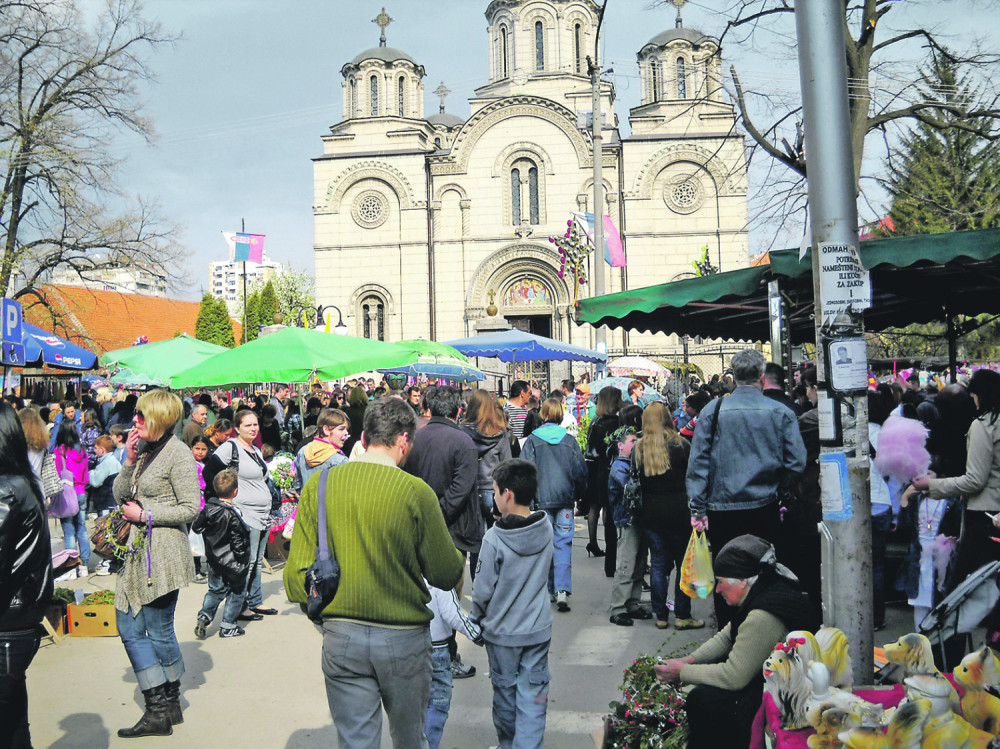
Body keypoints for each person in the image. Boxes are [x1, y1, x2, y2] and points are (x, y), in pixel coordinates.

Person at [284, 397, 464, 749]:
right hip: (404, 637)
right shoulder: (416, 492)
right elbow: (446, 573)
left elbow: (295, 581)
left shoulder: (319, 486)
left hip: (341, 636)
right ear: (404, 440)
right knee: (410, 739)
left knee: (356, 742)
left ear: (364, 438)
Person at [653, 534, 813, 749]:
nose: (718, 590)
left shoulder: (762, 617)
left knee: (704, 700)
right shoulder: (762, 589)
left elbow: (734, 676)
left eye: (720, 582)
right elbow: (727, 636)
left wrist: (682, 673)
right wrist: (689, 660)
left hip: (788, 698)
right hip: (778, 682)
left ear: (743, 580)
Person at [687, 348, 806, 626]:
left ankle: (729, 631)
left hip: (721, 508)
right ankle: (762, 628)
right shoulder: (780, 412)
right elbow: (796, 462)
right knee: (763, 569)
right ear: (762, 376)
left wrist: (698, 508)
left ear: (734, 376)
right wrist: (780, 487)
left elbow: (698, 464)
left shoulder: (713, 411)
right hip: (764, 505)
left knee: (726, 570)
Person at [112, 389, 201, 737]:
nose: (134, 421)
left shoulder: (178, 454)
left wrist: (146, 515)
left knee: (157, 629)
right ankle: (167, 705)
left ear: (161, 419)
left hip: (162, 556)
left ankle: (161, 708)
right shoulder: (145, 450)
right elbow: (120, 495)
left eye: (141, 415)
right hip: (137, 553)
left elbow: (191, 507)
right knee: (131, 626)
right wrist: (129, 460)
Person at [471, 459, 553, 749]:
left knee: (505, 697)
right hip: (537, 629)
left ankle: (509, 744)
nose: (493, 497)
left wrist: (476, 620)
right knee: (534, 695)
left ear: (506, 494)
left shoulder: (494, 539)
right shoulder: (546, 527)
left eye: (494, 491)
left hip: (503, 633)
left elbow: (482, 591)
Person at [914, 368, 1000, 585]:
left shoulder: (983, 426)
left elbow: (975, 480)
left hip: (984, 516)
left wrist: (932, 485)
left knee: (964, 586)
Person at [0, 401, 53, 749]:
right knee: (13, 722)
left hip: (9, 621)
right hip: (19, 618)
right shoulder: (20, 482)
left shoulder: (7, 489)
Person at [201, 409, 277, 623]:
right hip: (245, 514)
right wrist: (225, 500)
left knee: (257, 562)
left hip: (262, 514)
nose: (253, 428)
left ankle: (255, 601)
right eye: (248, 425)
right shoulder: (230, 447)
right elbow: (209, 472)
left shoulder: (256, 450)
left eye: (255, 424)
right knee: (248, 562)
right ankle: (241, 607)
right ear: (237, 428)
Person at [633, 402, 702, 631]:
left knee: (658, 565)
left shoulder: (640, 448)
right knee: (683, 564)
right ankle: (682, 615)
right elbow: (692, 477)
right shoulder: (681, 445)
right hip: (679, 511)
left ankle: (661, 615)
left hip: (651, 513)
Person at [521, 398, 587, 613]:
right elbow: (580, 471)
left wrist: (527, 501)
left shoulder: (533, 440)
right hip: (565, 499)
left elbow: (524, 471)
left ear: (543, 414)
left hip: (541, 500)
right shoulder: (569, 441)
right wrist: (579, 495)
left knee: (545, 544)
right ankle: (562, 590)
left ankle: (549, 589)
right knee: (563, 544)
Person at [424, 580, 483, 749]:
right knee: (437, 703)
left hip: (407, 648)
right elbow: (453, 615)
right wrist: (476, 634)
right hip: (437, 650)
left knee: (412, 705)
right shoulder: (439, 579)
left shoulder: (402, 572)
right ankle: (428, 745)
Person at [193, 468, 251, 640]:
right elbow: (238, 541)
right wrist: (243, 558)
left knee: (215, 590)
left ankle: (204, 616)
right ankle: (228, 626)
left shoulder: (208, 509)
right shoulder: (233, 514)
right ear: (235, 491)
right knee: (237, 592)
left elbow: (196, 527)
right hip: (232, 561)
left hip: (213, 559)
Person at [607, 426, 653, 626]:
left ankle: (633, 603)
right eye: (632, 441)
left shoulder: (635, 464)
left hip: (639, 519)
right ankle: (618, 607)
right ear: (620, 445)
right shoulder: (619, 467)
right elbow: (630, 489)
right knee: (626, 565)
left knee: (639, 565)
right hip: (627, 520)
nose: (636, 445)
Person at [584, 386, 625, 573]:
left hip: (595, 467)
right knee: (609, 509)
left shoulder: (595, 421)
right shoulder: (616, 423)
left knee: (595, 505)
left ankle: (593, 541)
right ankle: (612, 553)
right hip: (610, 468)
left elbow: (590, 448)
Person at [460, 390, 512, 537]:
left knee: (474, 538)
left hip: (470, 489)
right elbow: (507, 465)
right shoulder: (500, 432)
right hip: (493, 490)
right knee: (495, 536)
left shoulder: (463, 431)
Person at [53, 419, 90, 577]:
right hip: (81, 492)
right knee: (82, 528)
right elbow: (86, 474)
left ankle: (72, 567)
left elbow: (57, 473)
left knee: (69, 531)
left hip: (67, 495)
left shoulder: (60, 451)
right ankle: (85, 565)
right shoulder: (82, 451)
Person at [292, 407, 349, 491]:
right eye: (341, 429)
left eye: (346, 429)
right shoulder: (340, 461)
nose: (346, 433)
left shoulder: (303, 451)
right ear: (326, 430)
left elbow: (297, 485)